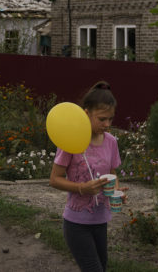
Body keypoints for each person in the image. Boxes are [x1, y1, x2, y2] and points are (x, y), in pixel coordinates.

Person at [49, 81, 127, 272]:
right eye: (102, 119)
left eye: (110, 119)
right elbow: (54, 179)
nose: (107, 125)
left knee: (102, 267)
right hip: (76, 224)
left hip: (101, 221)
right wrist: (82, 188)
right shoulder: (71, 140)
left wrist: (116, 189)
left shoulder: (111, 142)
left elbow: (113, 174)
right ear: (86, 114)